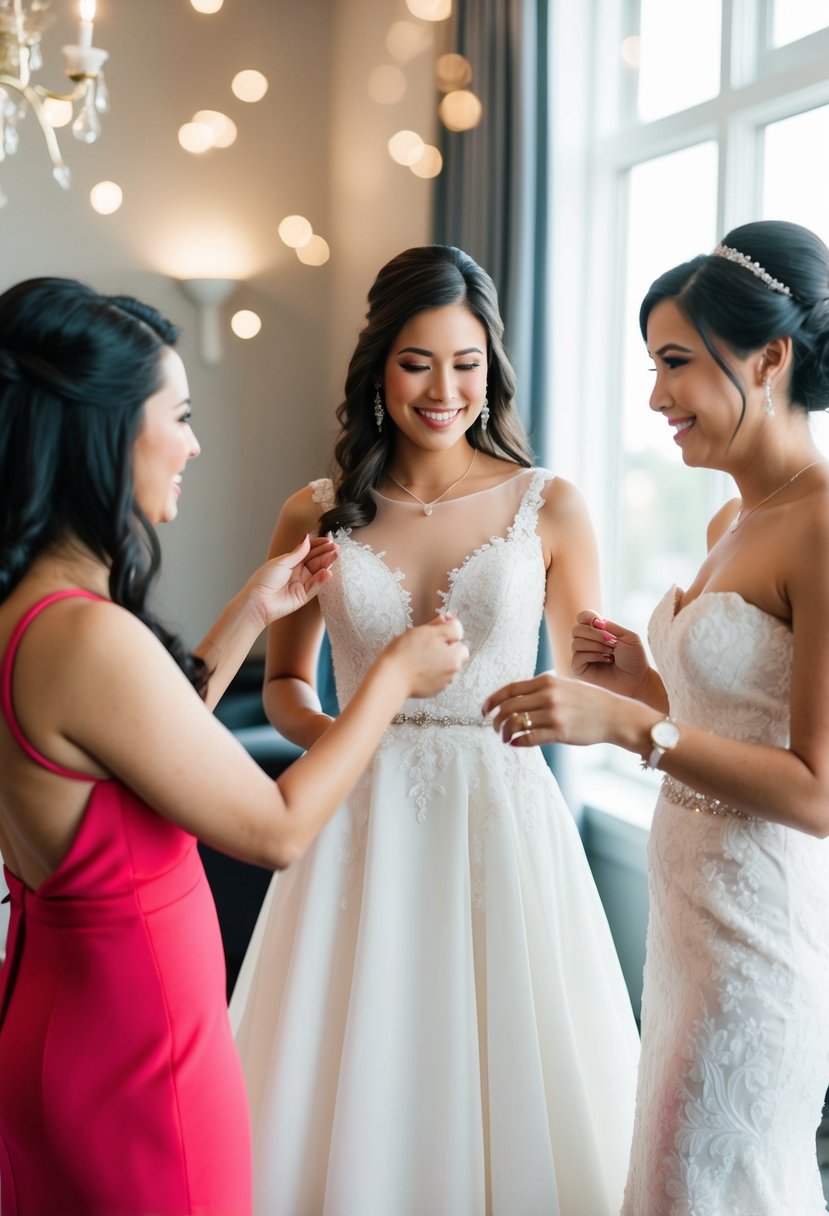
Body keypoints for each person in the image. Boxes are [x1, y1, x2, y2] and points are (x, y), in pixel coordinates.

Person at [0, 276, 468, 1216]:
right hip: (138, 1057)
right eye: (177, 413)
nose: (195, 443)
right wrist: (390, 678)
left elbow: (144, 734)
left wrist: (255, 609)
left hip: (60, 1022)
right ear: (101, 432)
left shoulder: (30, 618)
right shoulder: (86, 635)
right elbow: (277, 829)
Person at [230, 244, 640, 1215]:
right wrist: (344, 734)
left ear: (490, 368)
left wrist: (602, 706)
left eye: (465, 363)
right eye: (418, 362)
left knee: (507, 1065)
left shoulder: (549, 503)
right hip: (355, 816)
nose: (443, 388)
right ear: (379, 364)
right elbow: (286, 682)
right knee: (350, 1062)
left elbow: (592, 675)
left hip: (501, 814)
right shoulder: (315, 510)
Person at [484, 219, 829, 1216]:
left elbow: (814, 791)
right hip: (686, 928)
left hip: (760, 937)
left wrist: (630, 728)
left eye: (675, 362)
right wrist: (644, 683)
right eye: (650, 364)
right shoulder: (731, 519)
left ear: (768, 358)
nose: (654, 396)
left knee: (716, 1185)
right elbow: (737, 714)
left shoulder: (819, 528)